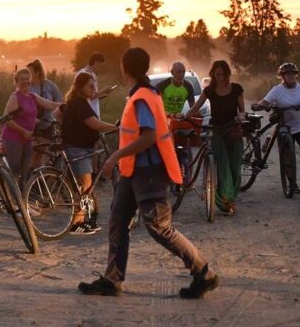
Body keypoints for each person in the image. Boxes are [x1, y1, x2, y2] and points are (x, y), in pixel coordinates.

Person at [78, 47, 219, 299]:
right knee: (118, 221)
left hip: (149, 171)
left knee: (159, 227)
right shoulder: (143, 94)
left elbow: (148, 136)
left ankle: (203, 271)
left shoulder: (143, 96)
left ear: (125, 68)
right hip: (134, 170)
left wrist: (115, 156)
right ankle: (112, 279)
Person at [58, 72, 118, 234]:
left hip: (78, 147)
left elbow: (57, 113)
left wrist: (67, 126)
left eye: (95, 86)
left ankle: (89, 220)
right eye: (90, 86)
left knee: (86, 186)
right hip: (77, 149)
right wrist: (116, 127)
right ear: (80, 87)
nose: (94, 89)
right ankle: (77, 223)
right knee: (85, 187)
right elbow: (95, 124)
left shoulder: (75, 101)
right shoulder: (79, 103)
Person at [186, 60, 245, 216]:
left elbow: (242, 110)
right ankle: (227, 203)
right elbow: (195, 108)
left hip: (234, 131)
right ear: (213, 75)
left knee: (235, 168)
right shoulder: (209, 91)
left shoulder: (237, 89)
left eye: (223, 74)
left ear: (227, 74)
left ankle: (228, 199)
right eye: (217, 74)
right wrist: (184, 116)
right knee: (224, 167)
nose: (220, 77)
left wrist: (241, 116)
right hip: (217, 131)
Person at [254, 62, 300, 194]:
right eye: (288, 73)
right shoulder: (277, 90)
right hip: (284, 125)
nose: (291, 75)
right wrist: (258, 105)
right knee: (287, 155)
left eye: (293, 73)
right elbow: (265, 101)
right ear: (282, 76)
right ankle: (292, 182)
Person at [1, 68, 61, 186]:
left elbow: (50, 104)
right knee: (14, 170)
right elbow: (6, 119)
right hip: (13, 138)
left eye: (27, 79)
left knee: (25, 172)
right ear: (17, 82)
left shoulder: (33, 96)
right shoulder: (15, 97)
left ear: (31, 80)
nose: (25, 81)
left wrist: (66, 105)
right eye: (22, 79)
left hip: (27, 138)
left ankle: (23, 195)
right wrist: (23, 131)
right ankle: (9, 194)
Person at [27, 59, 63, 170]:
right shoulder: (27, 87)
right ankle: (29, 175)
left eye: (29, 72)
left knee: (40, 153)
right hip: (31, 125)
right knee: (32, 153)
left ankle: (37, 176)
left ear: (37, 72)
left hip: (47, 124)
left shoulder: (50, 86)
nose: (27, 75)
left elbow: (60, 102)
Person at [76, 52, 109, 117]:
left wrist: (101, 95)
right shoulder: (82, 74)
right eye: (100, 65)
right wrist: (103, 90)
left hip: (94, 110)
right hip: (86, 112)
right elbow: (88, 96)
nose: (101, 68)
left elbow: (93, 95)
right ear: (96, 63)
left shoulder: (93, 75)